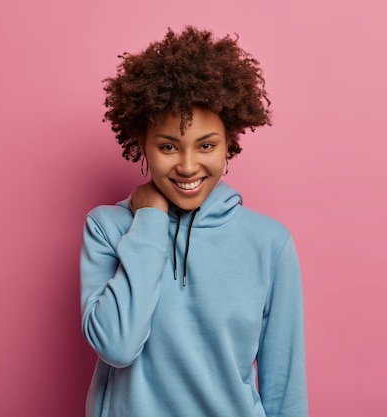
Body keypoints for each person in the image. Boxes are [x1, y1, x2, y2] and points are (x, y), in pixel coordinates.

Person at [80, 26, 308, 417]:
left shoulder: (269, 243)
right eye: (168, 146)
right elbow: (117, 345)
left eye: (206, 145)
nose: (187, 166)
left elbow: (284, 385)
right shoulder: (107, 228)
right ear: (142, 145)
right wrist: (150, 221)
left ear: (229, 142)